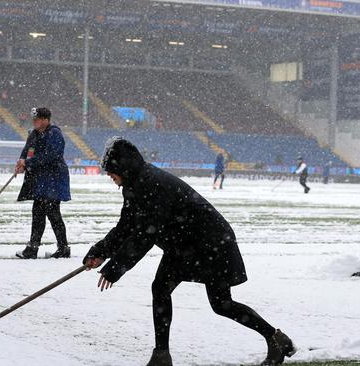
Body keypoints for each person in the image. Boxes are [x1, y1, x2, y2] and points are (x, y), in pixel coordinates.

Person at [83, 138, 295, 366]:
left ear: (124, 167)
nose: (109, 175)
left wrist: (115, 268)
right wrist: (101, 251)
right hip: (185, 245)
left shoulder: (152, 184)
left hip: (210, 243)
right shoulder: (135, 185)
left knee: (218, 303)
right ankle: (162, 355)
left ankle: (274, 338)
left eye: (111, 170)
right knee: (169, 290)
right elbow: (126, 226)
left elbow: (146, 234)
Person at [15, 108, 71, 259]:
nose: (34, 122)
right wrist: (21, 162)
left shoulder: (54, 133)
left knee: (53, 213)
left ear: (46, 119)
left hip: (54, 178)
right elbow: (27, 150)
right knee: (38, 213)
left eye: (37, 119)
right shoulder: (34, 133)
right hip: (40, 179)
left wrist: (28, 162)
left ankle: (63, 248)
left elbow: (51, 156)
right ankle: (33, 248)